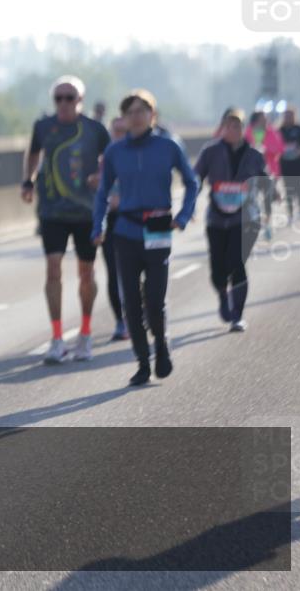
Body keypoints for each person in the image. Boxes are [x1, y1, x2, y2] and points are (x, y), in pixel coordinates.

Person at [92, 89, 199, 386]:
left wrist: (183, 215)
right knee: (130, 304)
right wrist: (98, 226)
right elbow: (102, 193)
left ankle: (161, 345)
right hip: (125, 230)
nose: (136, 117)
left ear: (152, 115)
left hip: (158, 226)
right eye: (130, 112)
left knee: (154, 299)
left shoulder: (168, 146)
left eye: (142, 111)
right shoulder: (115, 152)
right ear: (124, 119)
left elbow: (192, 182)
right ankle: (142, 364)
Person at [22, 75, 110, 363]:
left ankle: (85, 333)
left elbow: (112, 158)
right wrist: (28, 180)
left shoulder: (95, 129)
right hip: (52, 212)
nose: (63, 103)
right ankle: (57, 338)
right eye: (58, 98)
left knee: (86, 274)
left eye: (69, 98)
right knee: (53, 270)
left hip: (86, 212)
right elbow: (33, 153)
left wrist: (102, 177)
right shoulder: (43, 126)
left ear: (80, 100)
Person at [194, 108, 273, 332]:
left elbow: (264, 178)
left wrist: (272, 195)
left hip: (244, 218)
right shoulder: (210, 151)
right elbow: (196, 178)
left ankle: (237, 314)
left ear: (243, 128)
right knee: (218, 267)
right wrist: (190, 206)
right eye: (229, 125)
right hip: (216, 219)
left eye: (237, 125)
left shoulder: (254, 154)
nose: (233, 129)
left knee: (236, 263)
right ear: (222, 128)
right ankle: (222, 294)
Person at [102, 116, 129, 341]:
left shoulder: (140, 154)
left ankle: (141, 313)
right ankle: (121, 321)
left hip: (137, 220)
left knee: (136, 271)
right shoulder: (104, 158)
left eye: (123, 131)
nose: (119, 135)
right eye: (116, 131)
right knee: (113, 272)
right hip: (110, 220)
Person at [246, 111, 284, 240]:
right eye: (262, 118)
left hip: (270, 171)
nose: (265, 120)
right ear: (255, 120)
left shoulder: (271, 132)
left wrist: (265, 149)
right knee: (252, 199)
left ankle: (267, 225)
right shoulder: (247, 132)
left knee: (268, 201)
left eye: (265, 118)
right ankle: (255, 221)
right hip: (252, 173)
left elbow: (280, 148)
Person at [278, 109, 300, 222]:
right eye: (286, 116)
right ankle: (290, 213)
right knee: (288, 189)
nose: (288, 118)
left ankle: (299, 208)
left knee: (298, 188)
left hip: (299, 163)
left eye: (290, 116)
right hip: (285, 164)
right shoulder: (279, 130)